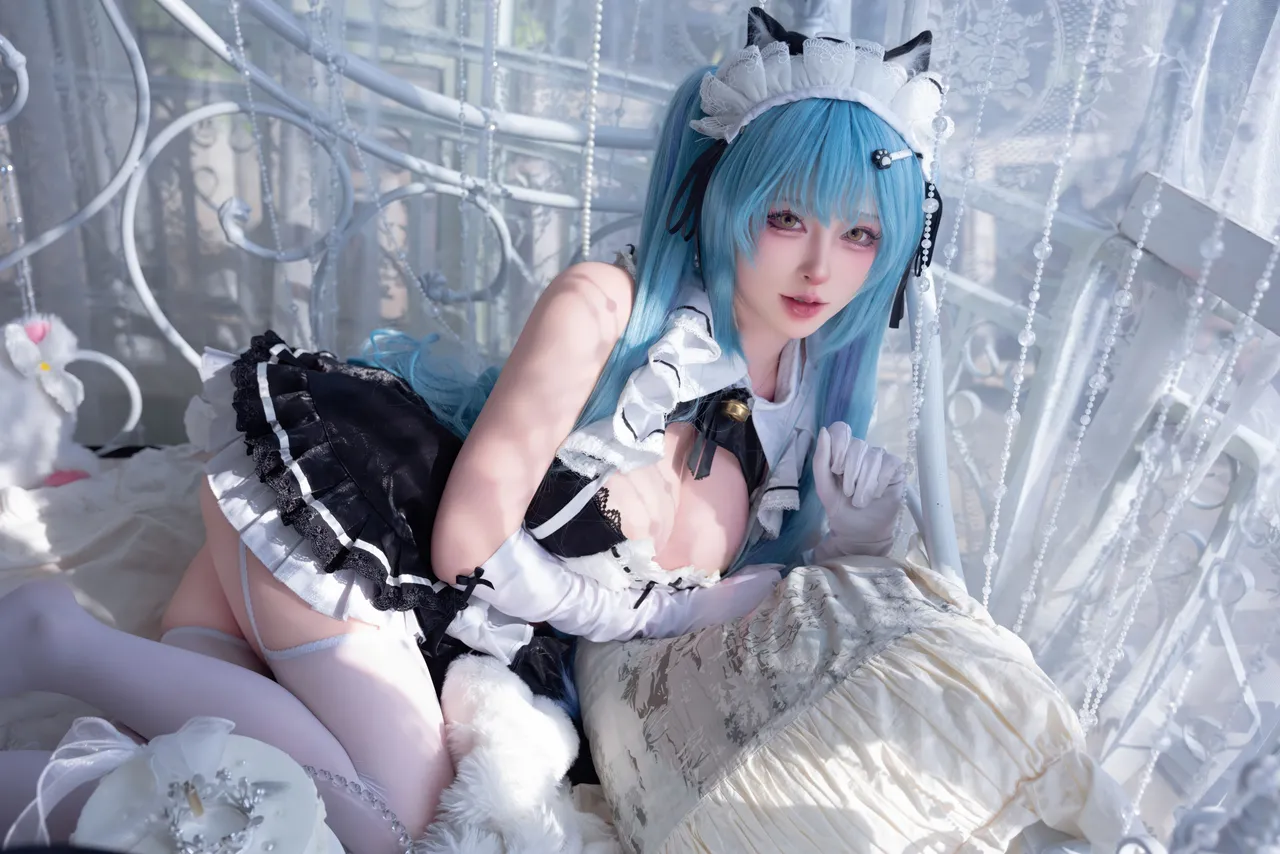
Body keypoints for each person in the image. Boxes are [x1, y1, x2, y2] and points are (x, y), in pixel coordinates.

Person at [0, 7, 947, 851]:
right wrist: (668, 613)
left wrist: (851, 536)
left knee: (240, 807)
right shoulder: (606, 305)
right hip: (347, 536)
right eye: (786, 217)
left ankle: (60, 677)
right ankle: (55, 640)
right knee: (393, 827)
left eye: (861, 234)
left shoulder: (809, 400)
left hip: (414, 632)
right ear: (727, 195)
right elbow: (465, 543)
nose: (820, 267)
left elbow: (767, 606)